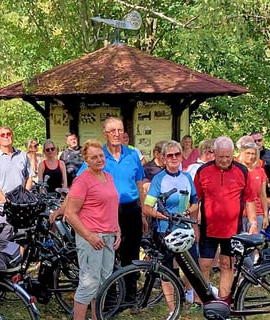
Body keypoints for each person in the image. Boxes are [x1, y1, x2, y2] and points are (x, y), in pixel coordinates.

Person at [78, 117, 145, 296]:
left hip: (131, 209)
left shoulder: (132, 155)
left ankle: (130, 296)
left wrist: (144, 213)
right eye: (112, 131)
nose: (117, 134)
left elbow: (139, 183)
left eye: (120, 130)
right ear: (105, 134)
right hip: (106, 211)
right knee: (109, 255)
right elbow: (81, 180)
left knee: (131, 254)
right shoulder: (99, 156)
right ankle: (109, 296)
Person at [63, 139, 121, 320]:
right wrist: (88, 235)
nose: (99, 160)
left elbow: (112, 206)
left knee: (104, 280)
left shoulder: (108, 177)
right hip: (91, 238)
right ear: (86, 160)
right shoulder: (83, 181)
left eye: (101, 156)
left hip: (108, 236)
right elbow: (70, 213)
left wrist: (117, 230)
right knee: (89, 280)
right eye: (94, 157)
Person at [193, 136, 258, 299]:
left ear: (233, 154)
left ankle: (223, 300)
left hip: (233, 229)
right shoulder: (203, 171)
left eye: (228, 157)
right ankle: (203, 300)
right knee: (204, 265)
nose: (224, 160)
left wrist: (253, 222)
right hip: (208, 227)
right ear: (214, 153)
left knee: (227, 264)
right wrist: (194, 225)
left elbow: (249, 199)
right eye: (220, 157)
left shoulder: (242, 171)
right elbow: (195, 200)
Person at [143, 139, 199, 306]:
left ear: (182, 156)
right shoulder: (159, 179)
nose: (174, 157)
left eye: (177, 154)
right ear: (164, 158)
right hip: (165, 229)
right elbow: (147, 207)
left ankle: (193, 299)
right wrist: (163, 216)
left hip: (185, 228)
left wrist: (188, 212)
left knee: (192, 266)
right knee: (167, 269)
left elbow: (196, 202)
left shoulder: (187, 177)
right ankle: (171, 308)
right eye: (170, 155)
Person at [0, 125, 34, 229]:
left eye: (9, 134)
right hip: (3, 206)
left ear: (12, 136)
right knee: (5, 240)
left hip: (22, 206)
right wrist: (5, 202)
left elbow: (29, 177)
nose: (6, 137)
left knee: (23, 238)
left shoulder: (22, 155)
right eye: (2, 135)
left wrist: (24, 196)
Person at [239, 141, 269, 233]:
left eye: (253, 154)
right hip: (239, 214)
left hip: (257, 213)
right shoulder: (236, 170)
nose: (251, 156)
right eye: (248, 153)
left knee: (255, 244)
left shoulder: (260, 171)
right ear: (242, 153)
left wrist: (265, 215)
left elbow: (263, 195)